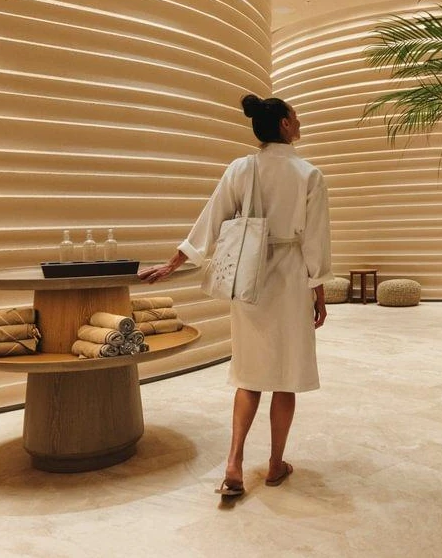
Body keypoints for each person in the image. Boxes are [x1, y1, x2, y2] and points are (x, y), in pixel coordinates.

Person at [137, 94, 334, 499]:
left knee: (249, 374)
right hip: (290, 281)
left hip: (249, 281)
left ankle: (234, 462)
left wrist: (174, 263)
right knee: (285, 378)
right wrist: (319, 291)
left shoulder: (240, 168)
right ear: (283, 124)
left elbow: (210, 219)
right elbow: (315, 242)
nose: (299, 120)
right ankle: (276, 464)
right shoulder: (308, 174)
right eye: (294, 116)